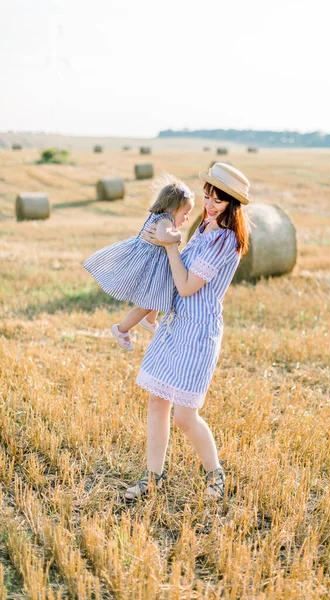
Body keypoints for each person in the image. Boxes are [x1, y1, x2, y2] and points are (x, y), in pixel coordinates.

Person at [124, 162, 251, 502]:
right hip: (175, 325)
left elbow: (186, 285)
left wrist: (170, 245)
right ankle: (152, 477)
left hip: (198, 332)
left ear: (233, 205)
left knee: (184, 415)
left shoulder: (225, 241)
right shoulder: (205, 227)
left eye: (218, 201)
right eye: (208, 196)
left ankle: (215, 475)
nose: (210, 205)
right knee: (156, 402)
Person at [82, 174, 195, 351]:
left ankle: (150, 320)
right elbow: (162, 236)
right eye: (185, 213)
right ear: (173, 209)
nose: (187, 218)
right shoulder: (165, 220)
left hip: (154, 265)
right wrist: (178, 236)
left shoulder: (161, 217)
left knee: (161, 290)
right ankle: (122, 329)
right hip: (149, 265)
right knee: (146, 305)